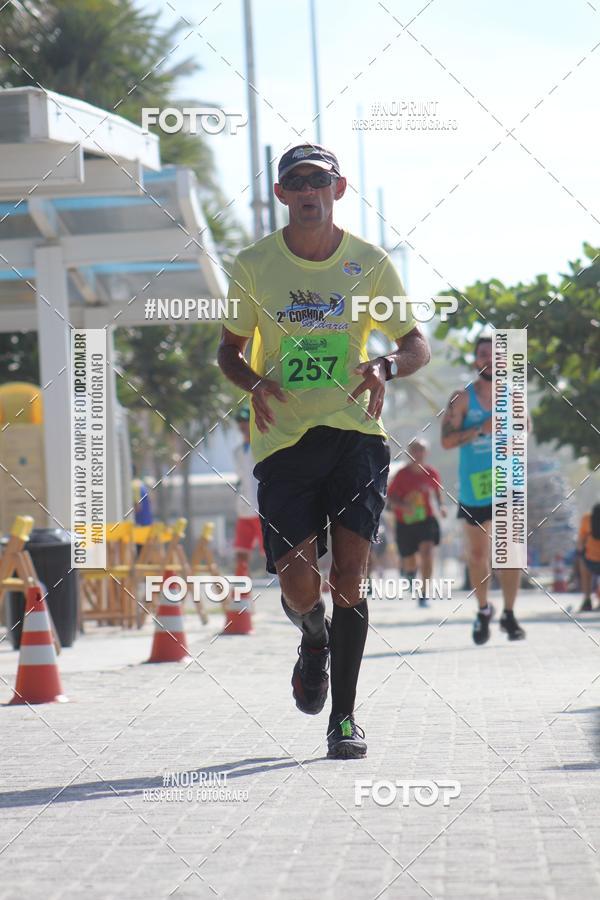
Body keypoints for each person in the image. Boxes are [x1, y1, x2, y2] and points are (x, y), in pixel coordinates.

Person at [217, 143, 430, 759]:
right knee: (301, 586)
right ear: (282, 193)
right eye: (296, 181)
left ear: (339, 189)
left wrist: (385, 368)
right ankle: (312, 636)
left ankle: (344, 718)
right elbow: (230, 352)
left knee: (350, 575)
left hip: (355, 435)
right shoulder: (254, 264)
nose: (309, 190)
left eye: (320, 180)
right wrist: (255, 382)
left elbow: (415, 344)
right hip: (282, 439)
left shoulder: (369, 262)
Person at [441, 335, 526, 644]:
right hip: (474, 486)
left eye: (495, 354)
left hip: (507, 481)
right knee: (478, 554)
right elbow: (446, 441)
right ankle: (483, 609)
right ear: (475, 360)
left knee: (510, 553)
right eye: (482, 354)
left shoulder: (513, 396)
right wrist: (481, 429)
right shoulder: (460, 399)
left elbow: (525, 429)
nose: (488, 359)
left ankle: (509, 614)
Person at [387, 438, 446, 607]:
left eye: (421, 450)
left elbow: (437, 492)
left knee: (427, 552)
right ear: (409, 454)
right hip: (404, 522)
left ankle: (424, 593)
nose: (418, 454)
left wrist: (441, 506)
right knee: (409, 560)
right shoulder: (402, 475)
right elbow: (390, 498)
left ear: (426, 453)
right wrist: (404, 505)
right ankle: (410, 574)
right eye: (415, 450)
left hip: (426, 520)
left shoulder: (431, 473)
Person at [232, 406, 264, 579]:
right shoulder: (237, 451)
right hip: (243, 509)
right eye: (240, 422)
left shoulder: (263, 446)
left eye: (245, 421)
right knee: (241, 551)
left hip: (261, 508)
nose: (242, 425)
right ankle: (243, 589)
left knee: (270, 551)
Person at [577, 503, 600, 612]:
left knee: (583, 564)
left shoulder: (587, 518)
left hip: (591, 560)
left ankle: (587, 600)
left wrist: (580, 553)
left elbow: (581, 542)